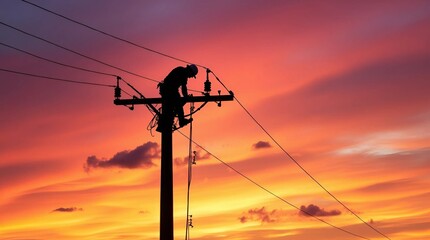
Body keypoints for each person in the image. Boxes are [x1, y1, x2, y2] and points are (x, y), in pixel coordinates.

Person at [158, 64, 198, 128]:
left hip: (167, 89)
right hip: (169, 89)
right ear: (190, 71)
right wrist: (186, 97)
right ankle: (181, 121)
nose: (190, 77)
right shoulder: (183, 73)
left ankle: (175, 116)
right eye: (191, 75)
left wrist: (185, 96)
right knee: (178, 103)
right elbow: (184, 88)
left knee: (177, 103)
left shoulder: (181, 70)